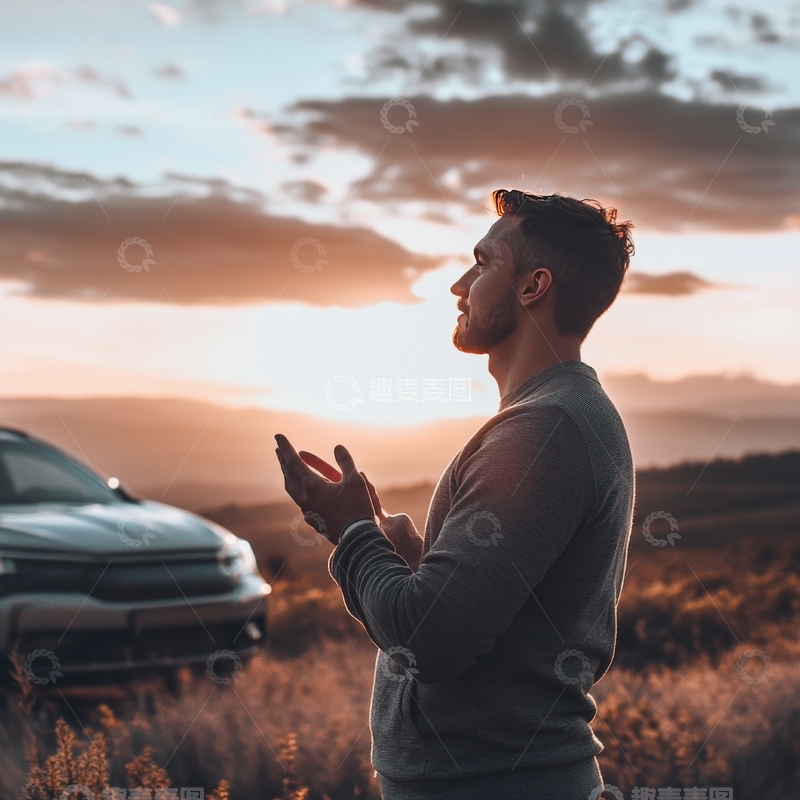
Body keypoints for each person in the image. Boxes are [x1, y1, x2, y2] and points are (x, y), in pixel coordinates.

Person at [275, 189, 636, 799]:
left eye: (483, 261)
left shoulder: (544, 432)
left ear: (532, 287)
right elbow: (490, 616)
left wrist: (355, 535)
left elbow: (431, 642)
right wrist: (411, 559)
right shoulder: (553, 418)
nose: (458, 285)